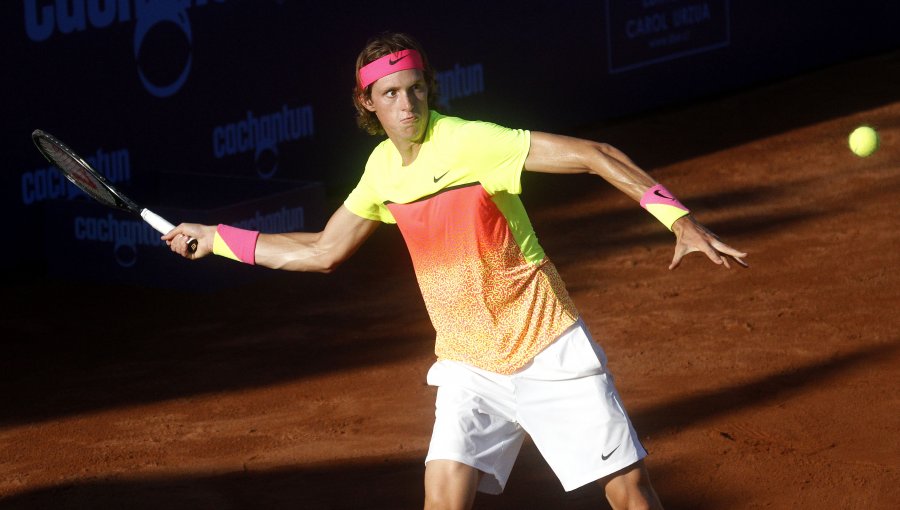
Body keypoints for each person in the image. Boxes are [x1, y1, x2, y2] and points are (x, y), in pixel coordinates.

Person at [164, 32, 747, 510]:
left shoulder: (472, 142)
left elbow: (596, 154)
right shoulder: (381, 171)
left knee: (629, 494)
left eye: (416, 89)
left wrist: (680, 221)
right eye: (391, 94)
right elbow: (322, 250)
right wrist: (216, 239)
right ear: (368, 103)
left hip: (546, 343)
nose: (408, 105)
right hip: (468, 362)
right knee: (442, 500)